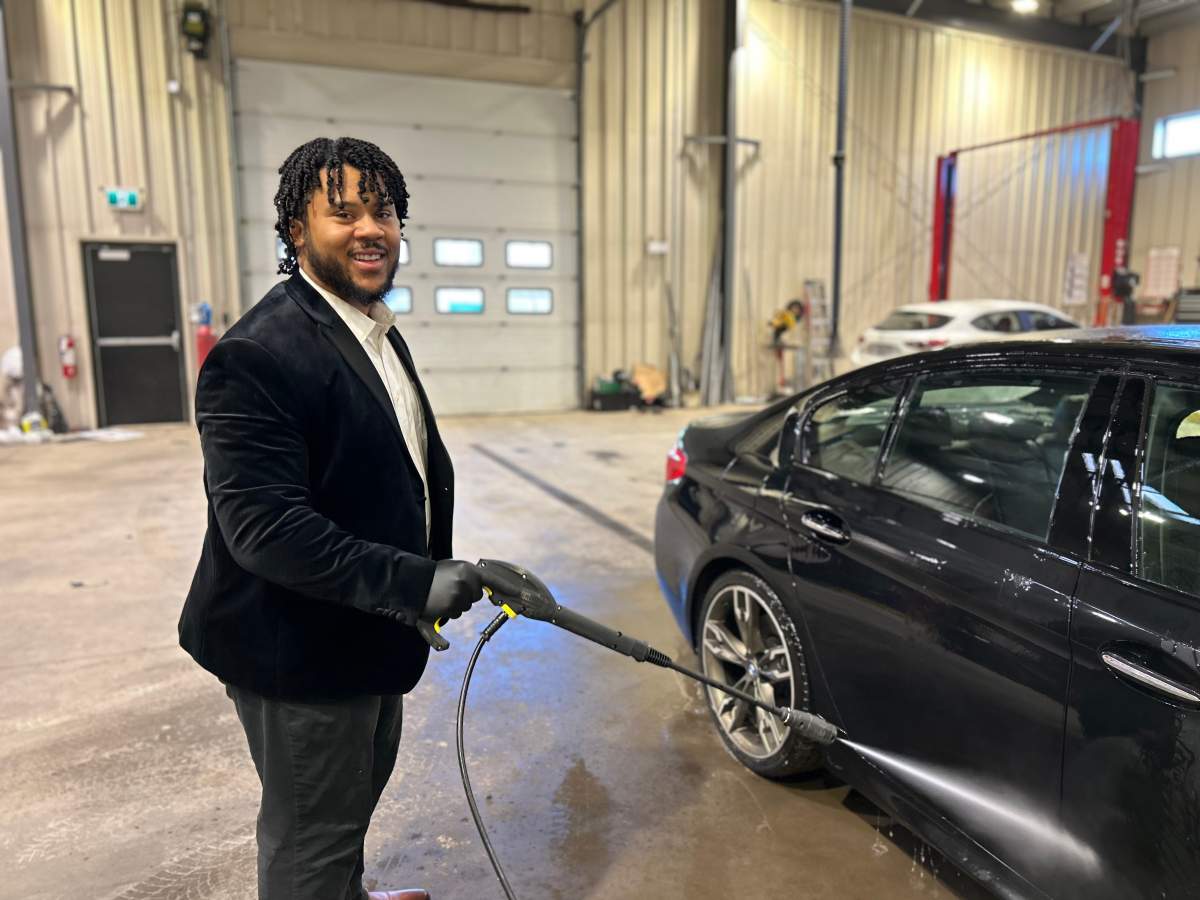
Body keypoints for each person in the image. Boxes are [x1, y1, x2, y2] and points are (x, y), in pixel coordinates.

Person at [178, 137, 486, 900]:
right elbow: (267, 530)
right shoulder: (257, 355)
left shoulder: (370, 327)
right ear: (298, 230)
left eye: (383, 212)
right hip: (298, 652)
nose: (370, 229)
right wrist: (413, 582)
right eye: (343, 213)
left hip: (364, 628)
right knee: (311, 840)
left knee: (350, 804)